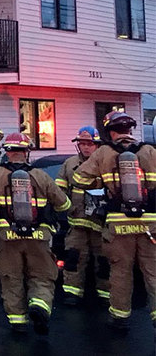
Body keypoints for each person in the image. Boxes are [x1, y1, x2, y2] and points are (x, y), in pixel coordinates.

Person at [72, 111, 156, 329]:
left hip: (119, 224)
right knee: (153, 272)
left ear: (110, 132)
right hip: (150, 223)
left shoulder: (104, 153)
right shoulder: (149, 151)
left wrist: (102, 182)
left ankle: (119, 318)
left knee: (121, 272)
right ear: (130, 130)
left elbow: (79, 178)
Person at [0, 133, 70, 334]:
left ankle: (18, 322)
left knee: (11, 280)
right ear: (26, 152)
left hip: (7, 238)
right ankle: (39, 305)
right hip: (38, 238)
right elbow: (63, 203)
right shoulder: (40, 176)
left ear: (8, 152)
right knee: (42, 277)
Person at [55, 126, 110, 306]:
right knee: (73, 257)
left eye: (90, 144)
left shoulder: (106, 163)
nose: (86, 147)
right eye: (82, 144)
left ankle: (105, 294)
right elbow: (59, 190)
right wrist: (64, 209)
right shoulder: (69, 164)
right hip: (76, 221)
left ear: (97, 145)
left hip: (101, 223)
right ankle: (72, 293)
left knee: (103, 260)